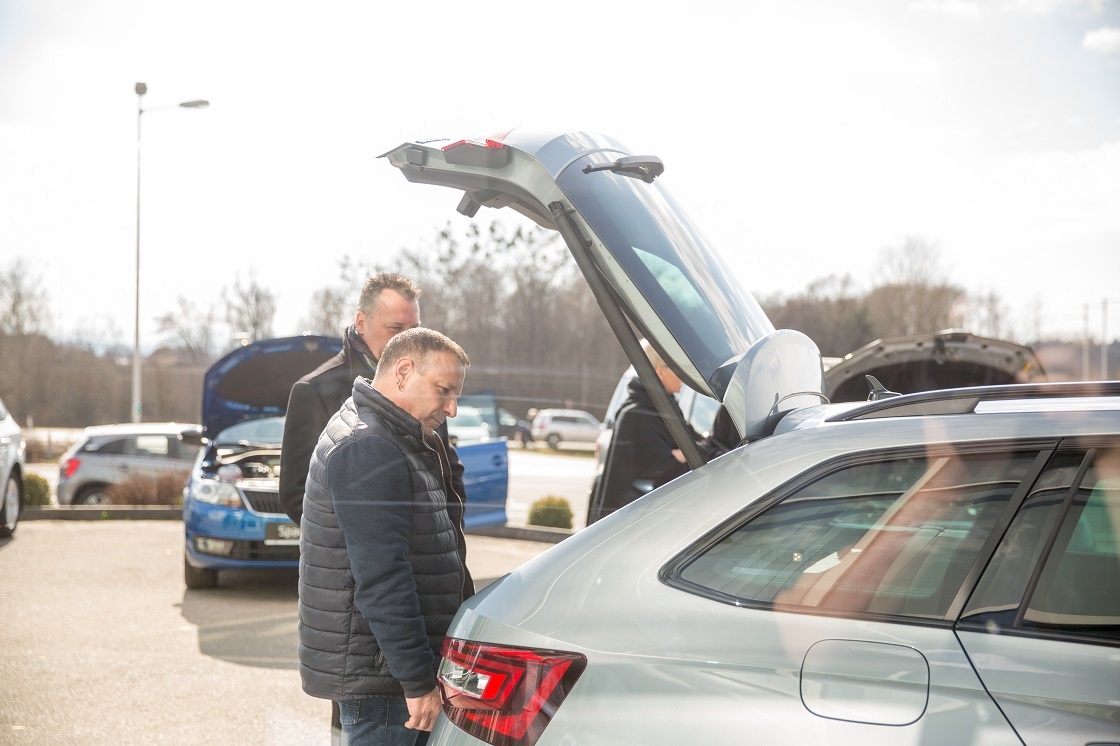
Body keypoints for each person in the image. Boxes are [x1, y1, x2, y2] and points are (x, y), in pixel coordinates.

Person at [298, 327, 475, 746]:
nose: (451, 408)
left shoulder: (391, 434)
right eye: (443, 390)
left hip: (383, 670)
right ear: (403, 371)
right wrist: (416, 682)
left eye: (456, 396)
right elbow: (382, 578)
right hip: (385, 680)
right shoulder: (368, 445)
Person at [279, 273, 463, 525]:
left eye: (414, 329)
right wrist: (373, 540)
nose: (407, 339)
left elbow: (448, 475)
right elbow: (296, 495)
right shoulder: (313, 391)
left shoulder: (429, 387)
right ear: (361, 322)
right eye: (396, 329)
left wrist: (448, 542)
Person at [587, 339, 729, 525]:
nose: (683, 377)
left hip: (652, 516)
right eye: (676, 369)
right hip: (627, 523)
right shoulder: (638, 414)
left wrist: (683, 454)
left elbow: (695, 447)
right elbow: (664, 469)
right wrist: (684, 454)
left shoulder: (668, 410)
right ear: (659, 372)